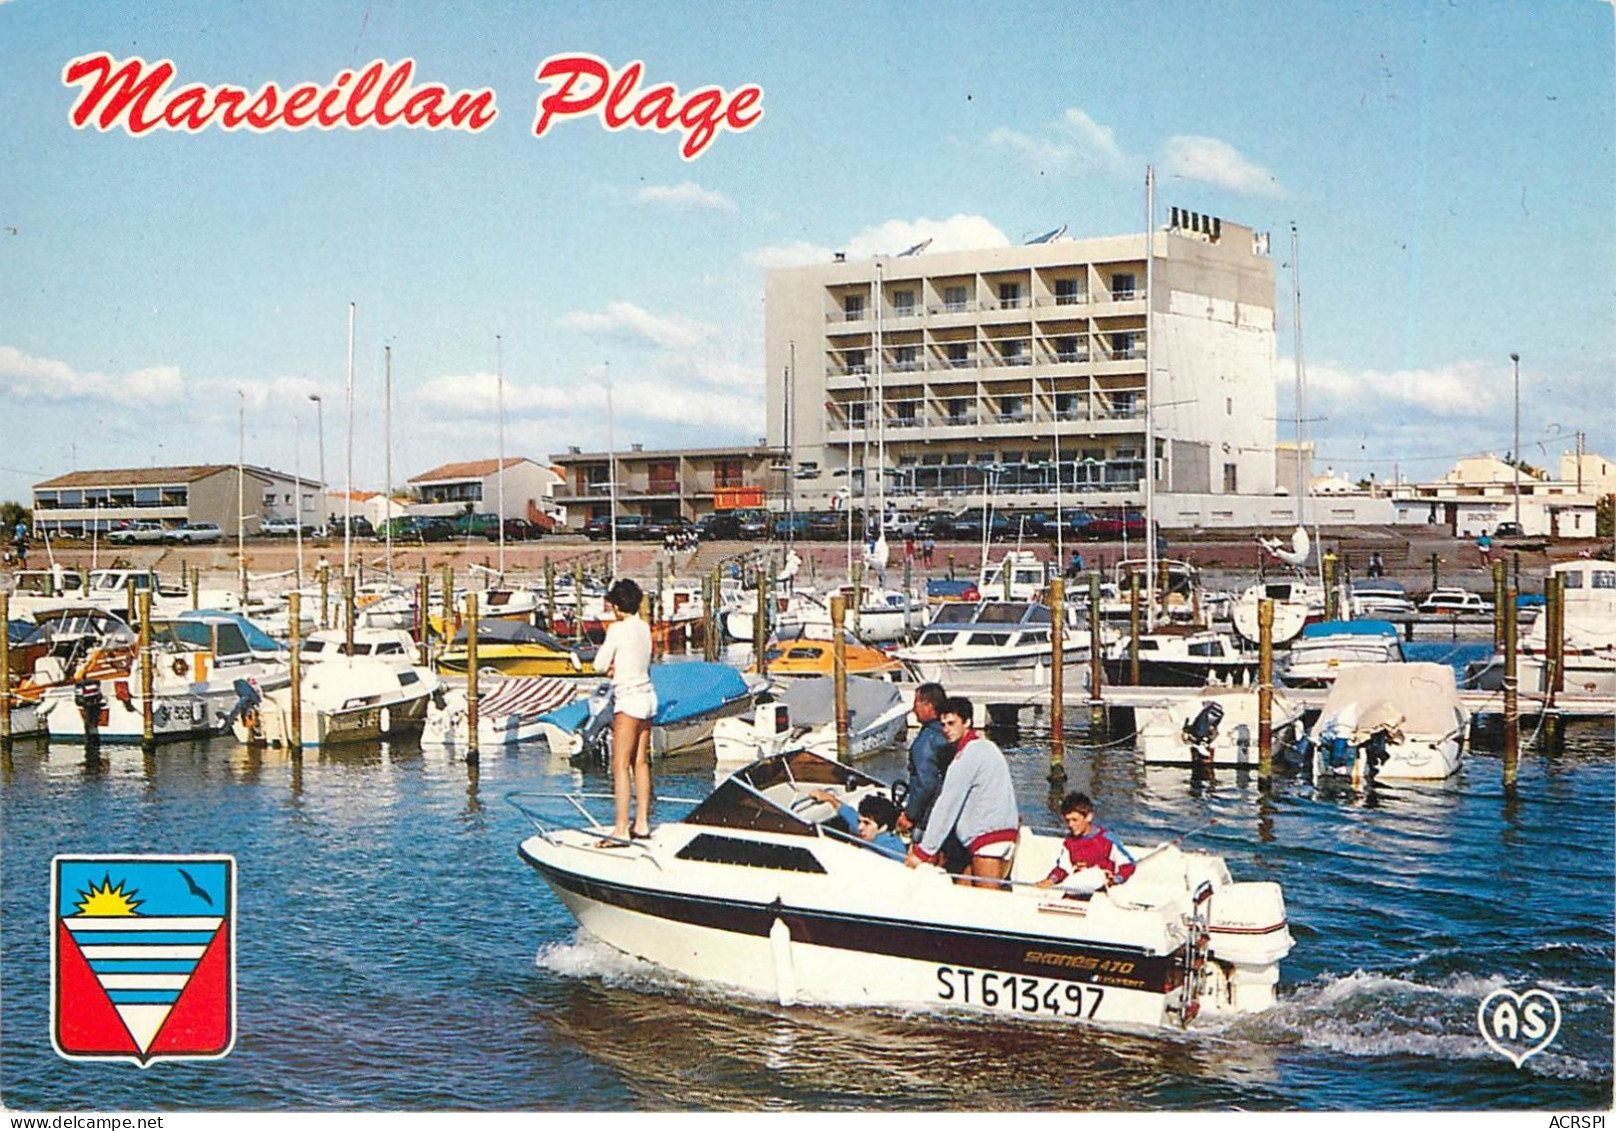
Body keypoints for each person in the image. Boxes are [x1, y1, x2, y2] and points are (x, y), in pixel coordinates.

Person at [905, 697, 1019, 888]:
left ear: (967, 722)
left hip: (988, 841)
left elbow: (947, 805)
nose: (946, 729)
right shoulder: (989, 748)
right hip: (1005, 835)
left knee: (986, 904)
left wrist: (925, 851)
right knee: (961, 891)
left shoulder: (966, 756)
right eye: (943, 725)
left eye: (952, 723)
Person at [593, 578, 657, 845]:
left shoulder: (617, 630)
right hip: (648, 697)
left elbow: (598, 665)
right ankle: (641, 822)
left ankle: (620, 829)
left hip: (629, 700)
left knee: (619, 765)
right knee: (640, 762)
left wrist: (609, 667)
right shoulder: (644, 628)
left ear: (617, 606)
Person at [1034, 791, 1136, 895]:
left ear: (1088, 817)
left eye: (1075, 820)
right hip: (1077, 888)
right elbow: (1063, 868)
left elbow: (1128, 865)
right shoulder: (1070, 842)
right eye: (1067, 820)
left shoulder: (1106, 840)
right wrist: (1051, 880)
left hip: (1101, 892)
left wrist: (1116, 879)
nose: (1071, 825)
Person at [807, 789, 906, 858]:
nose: (859, 827)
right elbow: (848, 813)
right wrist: (829, 798)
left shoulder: (892, 851)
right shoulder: (867, 831)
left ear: (883, 828)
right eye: (859, 821)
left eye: (866, 823)